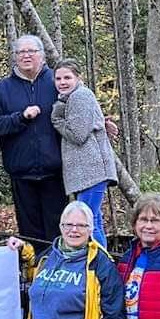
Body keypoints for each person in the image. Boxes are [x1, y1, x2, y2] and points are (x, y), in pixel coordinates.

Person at [0, 35, 66, 246]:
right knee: (30, 236)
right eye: (20, 52)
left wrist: (101, 122)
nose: (26, 56)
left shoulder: (56, 82)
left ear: (42, 56)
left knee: (58, 232)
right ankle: (34, 276)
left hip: (55, 173)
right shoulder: (3, 88)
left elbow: (79, 107)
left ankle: (58, 272)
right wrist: (21, 117)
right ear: (15, 57)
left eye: (31, 51)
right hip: (21, 172)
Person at [50, 59, 117, 249]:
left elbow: (78, 135)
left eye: (67, 77)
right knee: (93, 219)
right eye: (58, 78)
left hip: (91, 170)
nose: (63, 82)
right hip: (87, 172)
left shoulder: (80, 96)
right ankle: (102, 263)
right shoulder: (71, 98)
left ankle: (98, 266)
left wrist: (57, 120)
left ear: (78, 78)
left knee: (86, 222)